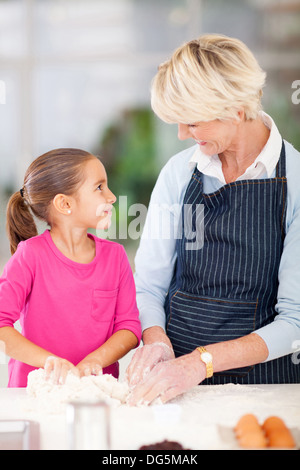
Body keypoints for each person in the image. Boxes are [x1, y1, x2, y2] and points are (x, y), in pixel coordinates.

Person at [127, 34, 300, 405]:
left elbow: (296, 323)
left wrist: (199, 363)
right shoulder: (178, 173)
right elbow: (149, 286)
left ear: (236, 110)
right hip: (177, 389)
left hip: (267, 391)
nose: (181, 135)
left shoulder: (297, 182)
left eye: (191, 123)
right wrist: (156, 339)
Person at [0, 148, 141, 387]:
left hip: (96, 393)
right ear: (65, 203)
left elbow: (129, 328)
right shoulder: (30, 256)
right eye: (99, 187)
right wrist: (50, 361)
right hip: (33, 394)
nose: (111, 196)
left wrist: (95, 360)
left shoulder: (115, 257)